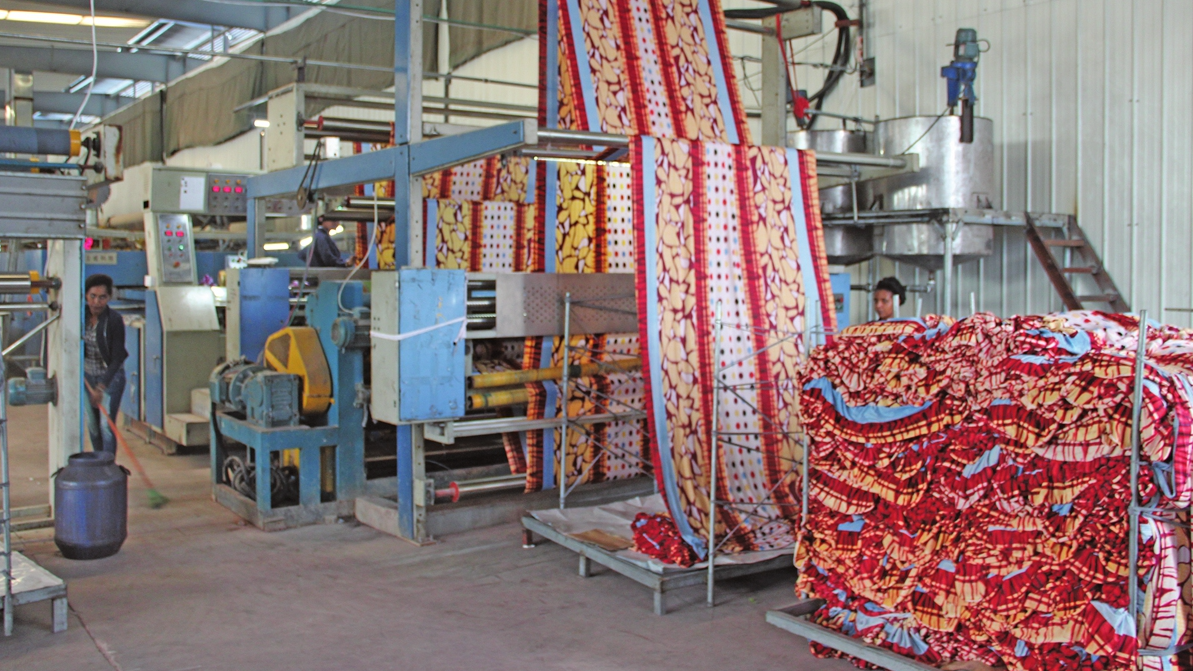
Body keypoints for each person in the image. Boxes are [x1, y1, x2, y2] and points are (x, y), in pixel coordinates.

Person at [83, 274, 127, 454]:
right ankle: (98, 464)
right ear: (86, 296)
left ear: (108, 298)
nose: (96, 302)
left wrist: (101, 387)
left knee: (106, 426)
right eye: (92, 296)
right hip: (87, 378)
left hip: (110, 379)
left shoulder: (114, 320)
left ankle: (108, 467)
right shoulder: (81, 317)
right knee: (93, 426)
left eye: (102, 297)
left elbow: (117, 358)